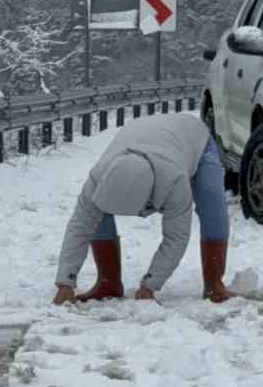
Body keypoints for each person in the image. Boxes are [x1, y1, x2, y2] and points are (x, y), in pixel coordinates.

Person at [50, 112, 231, 305]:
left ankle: (214, 284)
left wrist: (150, 286)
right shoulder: (98, 179)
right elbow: (80, 227)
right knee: (96, 215)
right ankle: (108, 283)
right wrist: (65, 283)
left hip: (195, 139)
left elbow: (176, 237)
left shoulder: (174, 181)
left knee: (211, 200)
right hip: (145, 136)